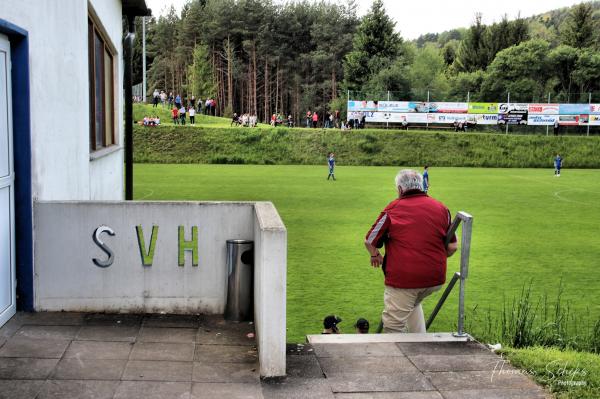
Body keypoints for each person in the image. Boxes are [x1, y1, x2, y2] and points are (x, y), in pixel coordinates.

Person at [364, 169, 458, 333]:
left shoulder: (393, 209)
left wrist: (375, 254)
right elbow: (452, 247)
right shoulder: (442, 208)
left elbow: (369, 240)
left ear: (400, 189)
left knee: (393, 326)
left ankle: (397, 358)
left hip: (404, 280)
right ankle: (420, 339)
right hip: (435, 279)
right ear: (421, 185)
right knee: (412, 303)